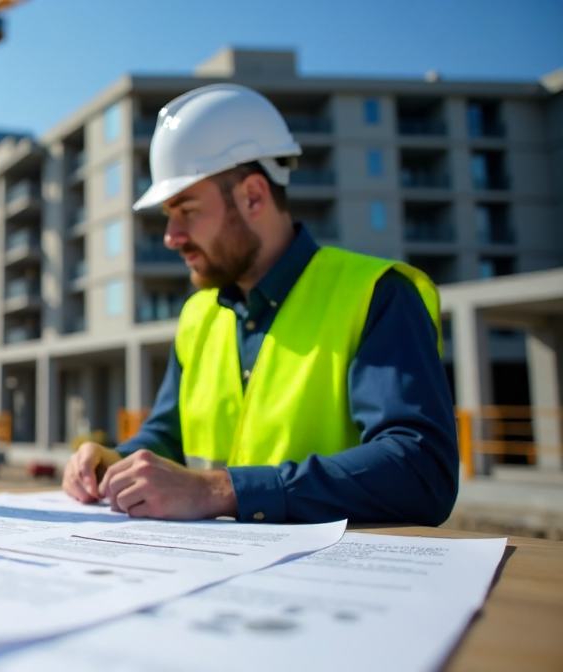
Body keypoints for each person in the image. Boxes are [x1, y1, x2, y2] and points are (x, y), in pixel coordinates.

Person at [63, 84, 458, 525]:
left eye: (187, 210)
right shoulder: (199, 315)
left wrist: (218, 491)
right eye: (168, 216)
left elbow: (421, 470)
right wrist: (118, 461)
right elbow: (169, 438)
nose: (171, 237)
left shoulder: (376, 295)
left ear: (253, 196)